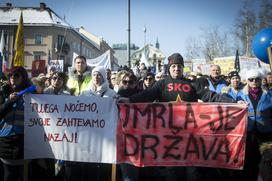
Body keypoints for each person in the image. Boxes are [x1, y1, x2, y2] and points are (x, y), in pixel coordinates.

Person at [123, 53, 236, 181]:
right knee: (172, 172)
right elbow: (146, 95)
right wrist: (128, 100)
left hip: (190, 137)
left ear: (183, 68)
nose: (177, 69)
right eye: (174, 66)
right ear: (169, 68)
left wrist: (234, 103)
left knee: (192, 172)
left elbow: (210, 96)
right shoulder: (162, 84)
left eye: (179, 66)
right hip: (169, 138)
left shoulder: (192, 84)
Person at [237, 69, 272, 181]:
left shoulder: (268, 94)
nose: (254, 81)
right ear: (247, 80)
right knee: (249, 162)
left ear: (261, 80)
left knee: (266, 162)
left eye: (257, 79)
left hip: (265, 134)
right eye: (251, 79)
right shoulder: (240, 95)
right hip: (248, 134)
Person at [0, 66, 31, 181]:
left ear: (23, 78)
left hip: (24, 140)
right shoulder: (2, 92)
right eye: (10, 75)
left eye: (16, 75)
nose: (12, 78)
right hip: (6, 139)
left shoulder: (31, 94)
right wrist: (8, 101)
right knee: (8, 175)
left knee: (24, 175)